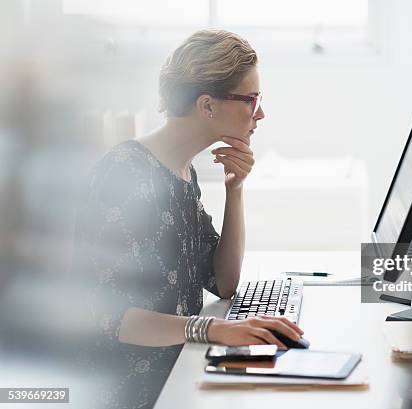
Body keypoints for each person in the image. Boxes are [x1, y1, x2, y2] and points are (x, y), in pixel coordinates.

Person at [72, 29, 303, 409]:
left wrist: (236, 190)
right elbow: (107, 315)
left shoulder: (180, 171)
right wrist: (213, 330)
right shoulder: (126, 175)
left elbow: (223, 282)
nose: (260, 113)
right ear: (208, 106)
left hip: (176, 379)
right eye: (252, 99)